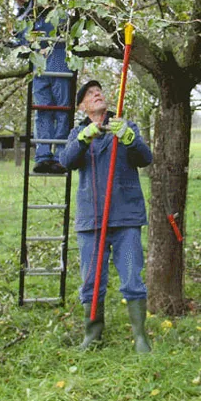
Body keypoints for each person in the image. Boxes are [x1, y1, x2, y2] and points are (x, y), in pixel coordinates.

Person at [58, 80, 154, 353]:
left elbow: (145, 158)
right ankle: (93, 334)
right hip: (92, 220)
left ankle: (140, 337)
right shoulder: (77, 132)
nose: (97, 94)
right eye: (90, 93)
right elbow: (65, 161)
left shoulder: (124, 126)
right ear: (82, 107)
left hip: (125, 217)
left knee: (132, 278)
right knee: (91, 280)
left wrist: (130, 139)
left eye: (98, 90)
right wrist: (82, 139)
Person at [11, 0, 72, 175]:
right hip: (39, 67)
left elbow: (61, 25)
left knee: (62, 109)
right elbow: (22, 39)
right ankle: (43, 155)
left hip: (59, 61)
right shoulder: (26, 14)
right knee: (42, 110)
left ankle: (61, 155)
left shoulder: (55, 7)